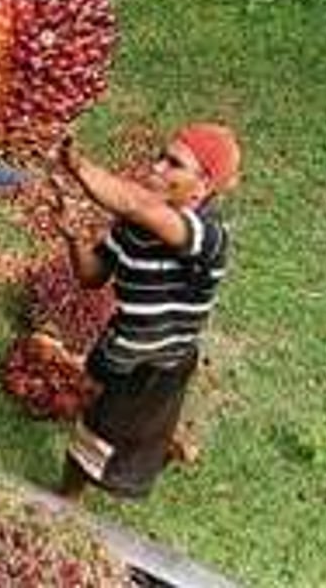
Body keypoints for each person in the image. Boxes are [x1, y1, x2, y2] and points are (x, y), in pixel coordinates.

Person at [54, 123, 241, 501]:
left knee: (97, 435)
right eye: (160, 156)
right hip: (125, 347)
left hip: (159, 364)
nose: (156, 167)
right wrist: (73, 239)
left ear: (202, 187)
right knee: (134, 425)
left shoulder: (206, 234)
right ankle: (163, 444)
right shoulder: (130, 228)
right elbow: (92, 277)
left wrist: (79, 166)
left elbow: (137, 203)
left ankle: (64, 500)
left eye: (173, 164)